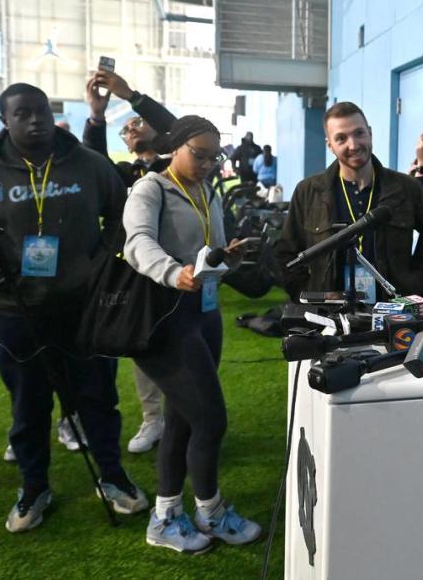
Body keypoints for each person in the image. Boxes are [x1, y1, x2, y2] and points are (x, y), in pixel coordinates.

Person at [0, 82, 148, 532]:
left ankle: (113, 477)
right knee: (28, 406)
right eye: (23, 113)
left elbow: (123, 216)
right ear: (5, 120)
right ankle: (34, 488)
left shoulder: (90, 166)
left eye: (41, 111)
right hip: (13, 310)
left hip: (83, 308)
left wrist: (99, 261)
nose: (34, 120)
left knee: (97, 399)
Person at [123, 115, 261, 553]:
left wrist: (227, 259)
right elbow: (136, 243)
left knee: (182, 418)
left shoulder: (205, 192)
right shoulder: (151, 188)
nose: (206, 164)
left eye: (213, 157)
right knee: (209, 418)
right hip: (165, 321)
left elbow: (207, 254)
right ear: (175, 147)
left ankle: (166, 515)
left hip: (204, 315)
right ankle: (211, 511)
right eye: (198, 154)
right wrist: (172, 271)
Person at [85, 69, 178, 454]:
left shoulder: (175, 166)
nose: (133, 128)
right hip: (128, 271)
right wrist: (96, 115)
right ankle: (153, 418)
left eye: (139, 122)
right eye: (127, 128)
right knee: (140, 343)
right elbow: (90, 160)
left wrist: (131, 95)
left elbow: (178, 128)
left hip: (174, 266)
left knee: (179, 341)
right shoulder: (121, 175)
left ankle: (181, 416)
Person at [275, 102, 423, 303]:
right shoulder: (308, 192)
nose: (353, 145)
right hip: (328, 315)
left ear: (370, 133)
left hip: (392, 310)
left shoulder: (405, 188)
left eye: (359, 133)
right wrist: (309, 294)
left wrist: (418, 283)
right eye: (341, 138)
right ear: (329, 144)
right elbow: (286, 253)